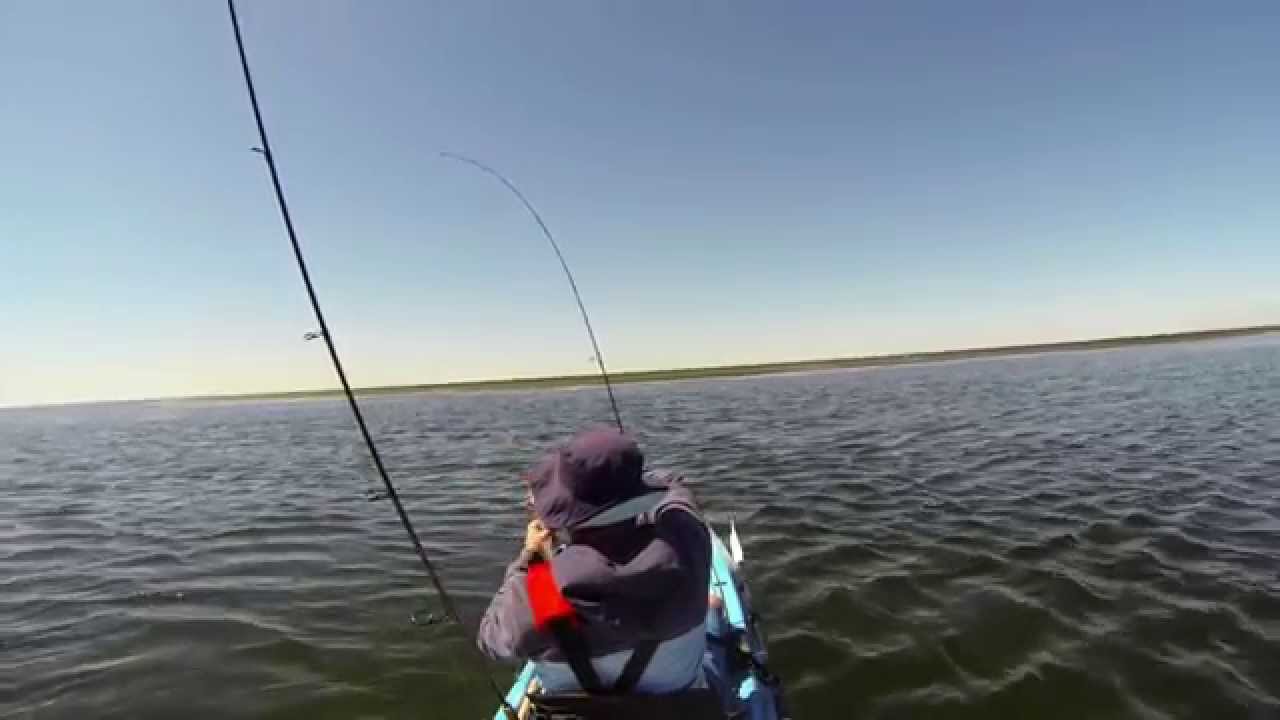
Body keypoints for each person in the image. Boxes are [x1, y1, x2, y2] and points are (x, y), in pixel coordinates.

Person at [477, 428, 712, 695]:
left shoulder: (539, 591)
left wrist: (530, 557)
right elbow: (675, 488)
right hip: (680, 708)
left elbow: (491, 641)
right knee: (714, 612)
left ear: (561, 511)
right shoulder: (687, 540)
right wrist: (621, 481)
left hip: (579, 712)